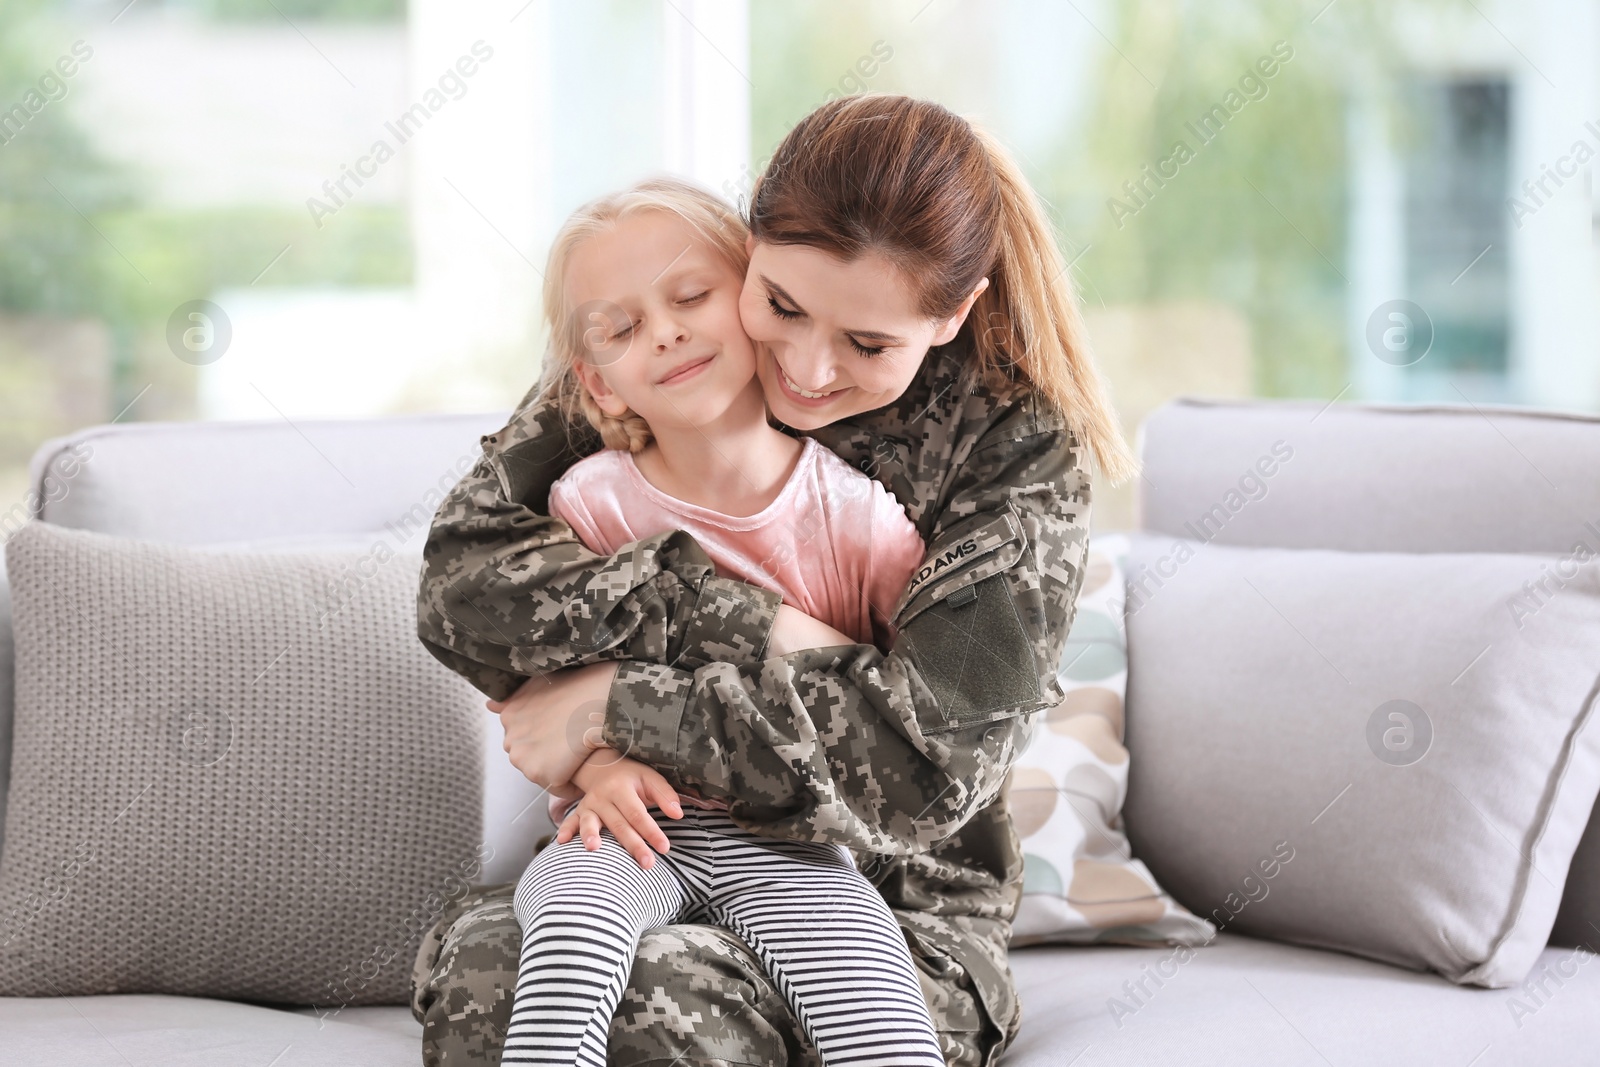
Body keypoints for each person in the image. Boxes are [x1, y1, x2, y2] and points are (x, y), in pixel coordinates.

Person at [411, 93, 1138, 1067]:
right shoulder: (673, 338)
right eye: (782, 306)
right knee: (494, 974)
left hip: (891, 889)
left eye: (867, 344)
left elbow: (925, 765)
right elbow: (465, 588)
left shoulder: (1012, 456)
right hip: (642, 834)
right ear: (750, 237)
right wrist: (749, 625)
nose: (802, 365)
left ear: (951, 312)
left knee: (657, 1012)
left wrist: (618, 699)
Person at [500, 175, 943, 1067]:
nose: (662, 330)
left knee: (881, 1007)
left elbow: (913, 703)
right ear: (601, 382)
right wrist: (599, 762)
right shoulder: (585, 506)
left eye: (691, 296)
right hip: (627, 830)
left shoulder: (856, 516)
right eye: (620, 329)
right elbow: (535, 689)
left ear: (755, 303)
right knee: (566, 933)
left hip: (797, 845)